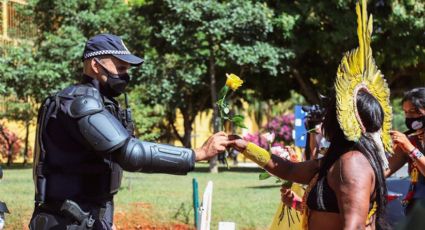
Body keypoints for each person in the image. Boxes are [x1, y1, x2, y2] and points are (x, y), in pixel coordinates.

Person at [29, 34, 229, 230]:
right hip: (66, 219)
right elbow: (130, 154)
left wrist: (105, 219)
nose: (125, 75)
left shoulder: (102, 104)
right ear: (95, 65)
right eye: (120, 67)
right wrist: (198, 154)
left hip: (89, 216)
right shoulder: (78, 103)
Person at [230, 1, 392, 229]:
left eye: (330, 112)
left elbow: (353, 227)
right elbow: (290, 170)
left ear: (343, 118)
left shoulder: (353, 164)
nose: (324, 117)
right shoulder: (338, 159)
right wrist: (243, 146)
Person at [386, 88, 425, 214]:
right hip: (415, 209)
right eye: (406, 112)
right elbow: (384, 170)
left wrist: (411, 149)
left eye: (413, 111)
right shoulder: (410, 141)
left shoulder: (409, 144)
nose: (408, 117)